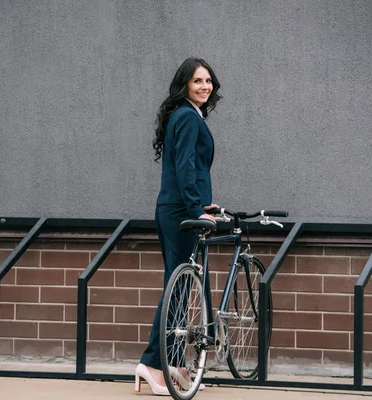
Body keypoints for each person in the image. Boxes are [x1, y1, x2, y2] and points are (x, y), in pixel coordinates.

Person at [135, 57, 222, 395]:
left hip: (176, 208)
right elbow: (185, 166)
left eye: (209, 81)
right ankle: (153, 363)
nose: (205, 86)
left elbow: (187, 168)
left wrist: (200, 204)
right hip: (178, 212)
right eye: (198, 81)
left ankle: (168, 362)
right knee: (178, 287)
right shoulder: (187, 117)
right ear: (185, 83)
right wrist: (195, 209)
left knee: (180, 288)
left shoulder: (185, 115)